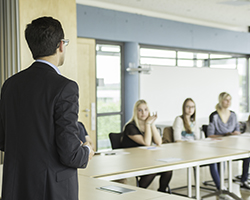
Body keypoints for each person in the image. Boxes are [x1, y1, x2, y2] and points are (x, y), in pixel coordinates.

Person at [0, 16, 94, 200]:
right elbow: (70, 154)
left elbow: (3, 139)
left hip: (16, 185)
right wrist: (87, 151)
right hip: (52, 189)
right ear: (60, 45)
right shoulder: (65, 87)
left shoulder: (10, 85)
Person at [121, 99, 172, 193]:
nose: (143, 113)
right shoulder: (130, 127)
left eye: (146, 110)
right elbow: (147, 142)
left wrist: (151, 124)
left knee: (168, 170)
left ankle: (162, 192)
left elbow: (158, 142)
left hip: (145, 159)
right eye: (140, 110)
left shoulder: (147, 125)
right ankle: (138, 192)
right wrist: (148, 123)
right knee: (152, 171)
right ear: (135, 112)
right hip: (132, 161)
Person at [207, 92, 250, 190]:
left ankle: (244, 180)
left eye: (230, 99)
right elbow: (210, 134)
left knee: (247, 155)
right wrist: (224, 135)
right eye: (226, 99)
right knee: (216, 159)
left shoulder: (233, 115)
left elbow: (237, 130)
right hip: (218, 146)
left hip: (232, 145)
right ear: (221, 101)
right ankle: (220, 186)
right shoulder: (214, 116)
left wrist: (235, 133)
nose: (228, 102)